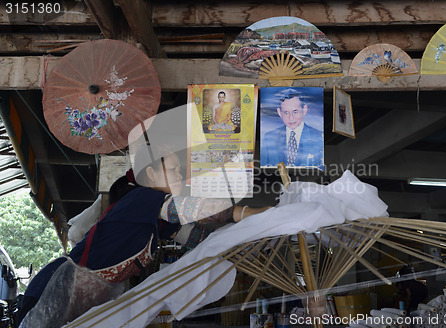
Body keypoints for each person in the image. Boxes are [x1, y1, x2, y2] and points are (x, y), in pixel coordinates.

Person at [18, 143, 270, 327]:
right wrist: (246, 212)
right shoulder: (141, 198)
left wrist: (240, 246)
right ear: (150, 174)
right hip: (55, 291)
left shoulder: (157, 220)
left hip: (86, 300)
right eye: (173, 169)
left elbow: (197, 238)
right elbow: (195, 211)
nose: (180, 174)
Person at [260, 89, 324, 170]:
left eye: (295, 111)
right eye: (286, 113)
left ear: (304, 110)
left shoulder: (319, 137)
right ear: (279, 113)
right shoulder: (268, 138)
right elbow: (264, 171)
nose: (291, 117)